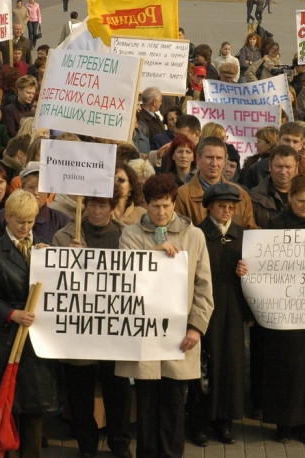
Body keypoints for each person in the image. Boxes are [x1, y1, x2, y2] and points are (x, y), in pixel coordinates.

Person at [238, 175, 305, 444]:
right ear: (290, 199)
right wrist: (246, 268)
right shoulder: (275, 226)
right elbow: (261, 265)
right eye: (300, 201)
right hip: (284, 313)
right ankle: (283, 425)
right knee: (285, 368)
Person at [116, 174, 213, 458]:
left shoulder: (194, 235)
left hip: (179, 335)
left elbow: (204, 286)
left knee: (173, 404)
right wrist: (153, 256)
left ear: (174, 203)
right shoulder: (131, 235)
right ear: (146, 205)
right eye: (155, 205)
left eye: (166, 205)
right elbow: (124, 278)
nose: (161, 212)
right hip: (144, 334)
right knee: (146, 406)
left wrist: (196, 327)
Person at [0, 190, 59, 458]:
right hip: (5, 338)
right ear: (7, 217)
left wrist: (57, 260)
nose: (25, 227)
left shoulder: (45, 248)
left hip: (37, 340)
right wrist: (11, 313)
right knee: (5, 405)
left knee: (34, 408)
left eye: (30, 222)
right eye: (20, 221)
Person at [51, 194, 133, 458]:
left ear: (112, 207)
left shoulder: (126, 236)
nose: (97, 211)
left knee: (118, 390)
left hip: (115, 328)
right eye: (93, 205)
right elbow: (53, 278)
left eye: (103, 205)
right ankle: (86, 445)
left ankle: (119, 443)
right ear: (85, 207)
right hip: (80, 329)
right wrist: (68, 259)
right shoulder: (64, 236)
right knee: (80, 391)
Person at [189, 183, 250, 445]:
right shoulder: (197, 234)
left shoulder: (243, 235)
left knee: (231, 365)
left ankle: (225, 422)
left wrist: (247, 273)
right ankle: (199, 422)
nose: (226, 211)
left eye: (231, 207)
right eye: (221, 206)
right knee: (204, 365)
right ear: (210, 207)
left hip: (233, 309)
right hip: (206, 309)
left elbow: (255, 279)